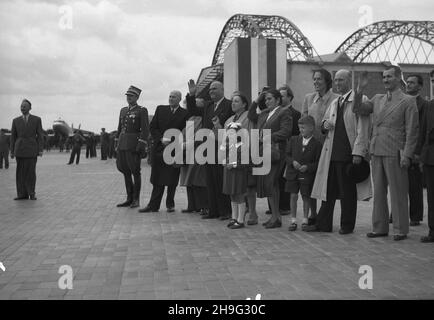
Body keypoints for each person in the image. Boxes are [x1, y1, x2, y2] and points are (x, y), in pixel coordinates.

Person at [353, 65, 419, 241]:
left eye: (389, 76)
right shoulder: (377, 98)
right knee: (380, 192)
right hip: (377, 150)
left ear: (399, 78)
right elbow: (358, 110)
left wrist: (407, 155)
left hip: (395, 151)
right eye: (384, 77)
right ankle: (380, 227)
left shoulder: (407, 101)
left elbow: (412, 131)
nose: (386, 80)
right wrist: (359, 90)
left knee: (398, 192)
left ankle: (400, 229)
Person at [306, 69, 372, 234]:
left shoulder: (360, 99)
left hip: (348, 154)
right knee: (327, 191)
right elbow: (323, 123)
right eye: (335, 80)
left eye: (341, 80)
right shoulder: (335, 102)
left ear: (349, 81)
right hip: (331, 154)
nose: (337, 83)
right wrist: (324, 125)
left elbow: (363, 129)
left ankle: (347, 225)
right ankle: (323, 224)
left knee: (347, 193)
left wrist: (358, 152)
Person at [186, 80, 234, 220]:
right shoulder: (208, 105)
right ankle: (213, 210)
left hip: (222, 148)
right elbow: (193, 110)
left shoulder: (229, 105)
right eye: (210, 89)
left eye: (214, 89)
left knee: (220, 180)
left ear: (222, 89)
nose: (211, 91)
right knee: (210, 181)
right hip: (207, 149)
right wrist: (192, 94)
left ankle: (225, 211)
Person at [248, 89, 292, 229]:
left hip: (276, 152)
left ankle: (276, 217)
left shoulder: (284, 112)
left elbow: (286, 131)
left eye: (269, 99)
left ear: (278, 100)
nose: (266, 101)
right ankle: (275, 216)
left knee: (271, 182)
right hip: (264, 151)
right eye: (265, 99)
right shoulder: (265, 113)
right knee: (269, 183)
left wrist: (268, 137)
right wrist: (256, 100)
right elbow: (251, 115)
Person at [139, 90, 189, 213]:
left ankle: (170, 204)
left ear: (179, 99)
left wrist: (173, 141)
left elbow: (186, 130)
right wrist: (161, 138)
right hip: (160, 148)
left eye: (174, 97)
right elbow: (153, 127)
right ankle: (153, 205)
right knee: (157, 179)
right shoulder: (160, 109)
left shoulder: (185, 113)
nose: (171, 99)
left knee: (172, 179)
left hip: (174, 150)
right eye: (170, 96)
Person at [221, 92, 252, 229]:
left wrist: (234, 162)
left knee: (239, 192)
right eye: (232, 101)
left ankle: (240, 219)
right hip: (229, 158)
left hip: (239, 163)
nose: (233, 103)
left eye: (237, 101)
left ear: (244, 104)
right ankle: (234, 218)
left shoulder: (249, 117)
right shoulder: (229, 119)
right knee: (231, 192)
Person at [285, 115, 322, 231]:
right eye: (300, 128)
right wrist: (293, 162)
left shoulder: (317, 144)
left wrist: (308, 167)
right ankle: (293, 220)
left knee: (306, 196)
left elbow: (318, 162)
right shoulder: (293, 140)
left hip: (306, 175)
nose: (301, 130)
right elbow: (287, 155)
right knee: (293, 195)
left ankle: (305, 219)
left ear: (311, 128)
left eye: (303, 128)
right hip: (293, 173)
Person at [115, 85, 149, 208]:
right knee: (125, 171)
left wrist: (141, 145)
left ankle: (136, 199)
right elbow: (119, 129)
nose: (129, 98)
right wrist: (116, 144)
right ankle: (129, 198)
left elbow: (145, 130)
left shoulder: (141, 110)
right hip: (122, 145)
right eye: (128, 96)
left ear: (137, 97)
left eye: (131, 96)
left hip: (133, 145)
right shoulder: (123, 110)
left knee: (135, 172)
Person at [404, 75, 429, 226]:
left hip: (415, 150)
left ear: (420, 86)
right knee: (399, 184)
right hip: (400, 148)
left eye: (412, 83)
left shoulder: (424, 105)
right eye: (407, 82)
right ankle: (397, 213)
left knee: (414, 185)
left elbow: (423, 129)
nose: (408, 85)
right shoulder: (401, 101)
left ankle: (415, 216)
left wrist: (418, 152)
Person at [10, 99, 44, 200]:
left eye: (24, 106)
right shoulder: (15, 121)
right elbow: (13, 137)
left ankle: (31, 193)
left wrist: (40, 149)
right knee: (20, 173)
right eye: (21, 106)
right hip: (19, 150)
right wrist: (12, 151)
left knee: (31, 173)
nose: (22, 108)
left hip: (32, 150)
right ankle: (21, 194)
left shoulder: (37, 119)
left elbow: (40, 135)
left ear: (30, 108)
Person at [179, 98, 209, 215]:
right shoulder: (190, 118)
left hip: (198, 151)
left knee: (198, 180)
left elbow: (203, 134)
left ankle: (203, 206)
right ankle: (191, 205)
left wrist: (191, 143)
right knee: (188, 180)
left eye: (197, 103)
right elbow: (183, 132)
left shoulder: (203, 119)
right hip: (187, 152)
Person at [301, 68, 339, 143]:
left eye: (319, 79)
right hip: (311, 141)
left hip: (329, 141)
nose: (316, 82)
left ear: (327, 81)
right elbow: (304, 121)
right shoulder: (308, 98)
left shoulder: (337, 99)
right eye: (314, 79)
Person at [415, 99, 434, 242]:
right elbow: (423, 129)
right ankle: (432, 231)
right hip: (430, 157)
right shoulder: (430, 104)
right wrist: (418, 153)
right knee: (432, 197)